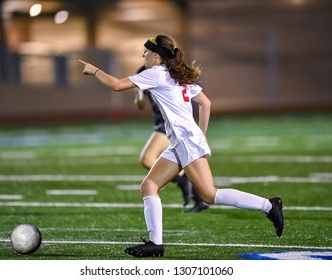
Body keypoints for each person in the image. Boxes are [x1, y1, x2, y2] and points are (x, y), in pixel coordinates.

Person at [79, 34, 284, 258]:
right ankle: (155, 243)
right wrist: (201, 135)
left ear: (156, 57)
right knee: (149, 186)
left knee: (209, 195)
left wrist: (94, 70)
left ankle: (268, 205)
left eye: (146, 52)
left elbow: (117, 85)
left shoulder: (156, 73)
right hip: (182, 141)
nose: (143, 55)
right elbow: (206, 103)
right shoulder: (174, 74)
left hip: (186, 140)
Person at [134, 65, 208, 212]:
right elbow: (140, 105)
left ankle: (183, 182)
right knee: (183, 165)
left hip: (168, 124)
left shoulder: (165, 73)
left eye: (146, 52)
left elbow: (199, 101)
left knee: (147, 158)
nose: (144, 55)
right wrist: (139, 95)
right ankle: (197, 197)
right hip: (164, 124)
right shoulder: (143, 72)